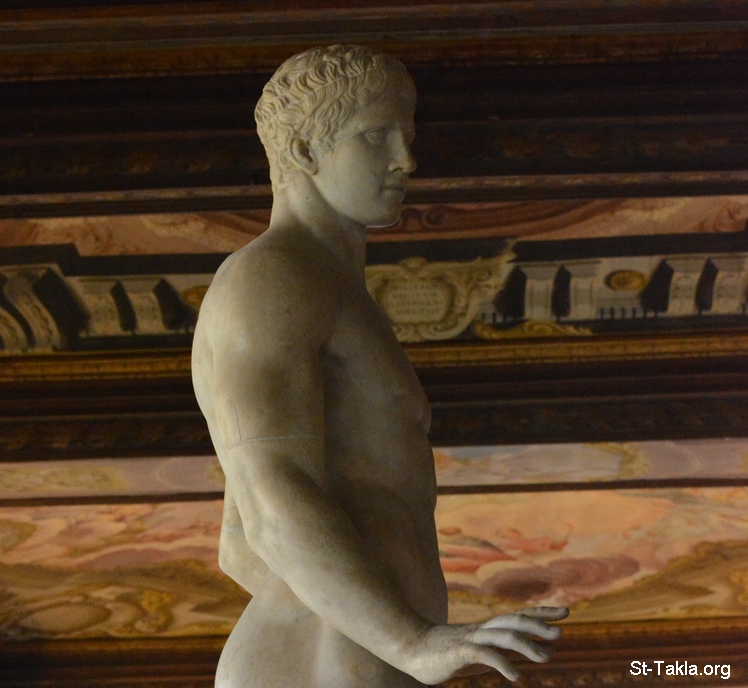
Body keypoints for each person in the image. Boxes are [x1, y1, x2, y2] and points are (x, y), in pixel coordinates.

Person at [191, 44, 568, 688]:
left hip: (346, 644)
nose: (406, 159)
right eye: (375, 135)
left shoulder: (326, 289)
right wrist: (407, 640)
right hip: (345, 650)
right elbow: (269, 493)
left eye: (407, 136)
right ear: (304, 151)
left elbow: (238, 545)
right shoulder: (272, 279)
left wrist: (368, 620)